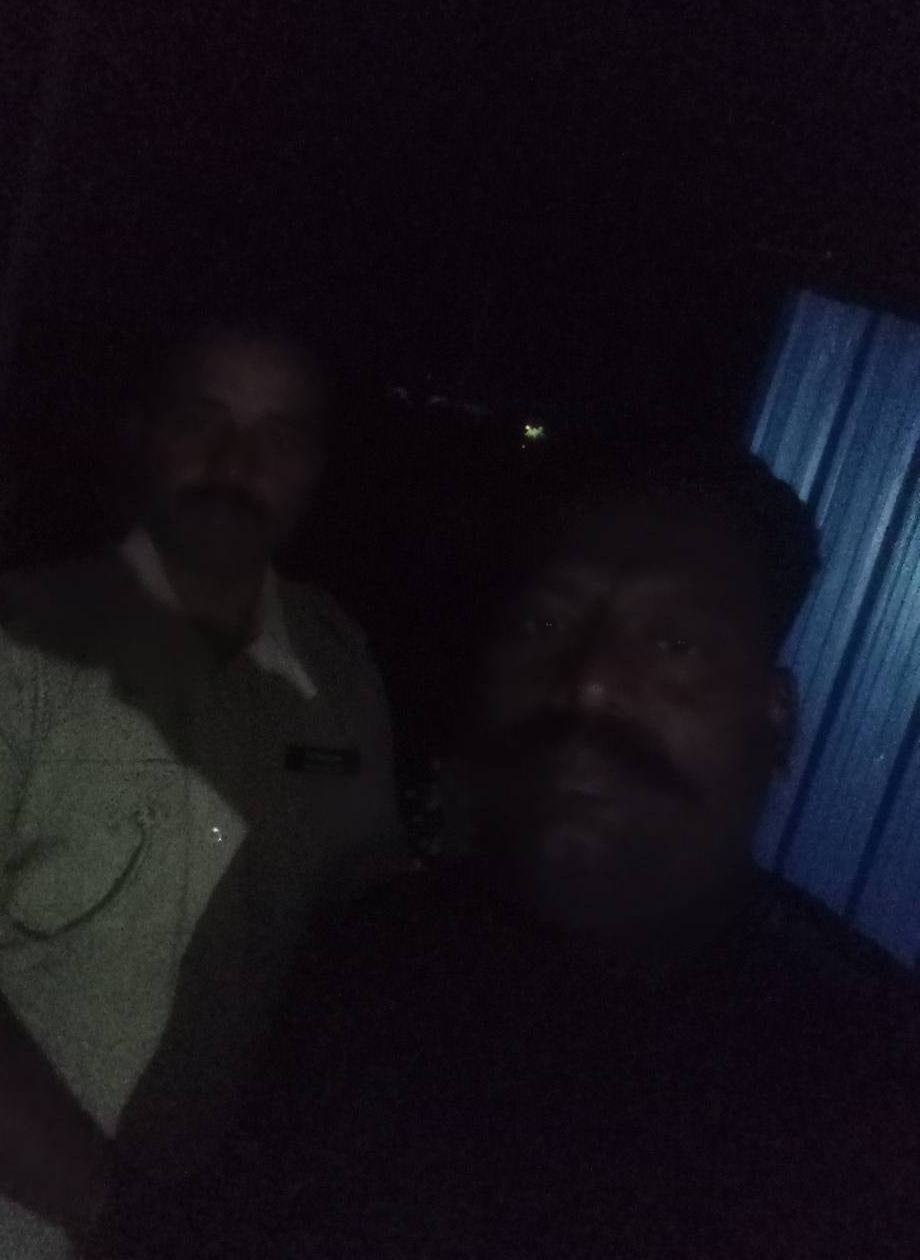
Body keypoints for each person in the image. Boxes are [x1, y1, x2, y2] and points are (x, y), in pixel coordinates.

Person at [222, 443, 920, 1259]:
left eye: (676, 644)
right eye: (544, 625)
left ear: (775, 720)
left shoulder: (871, 1077)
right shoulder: (372, 960)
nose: (588, 682)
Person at [0, 318, 403, 1258]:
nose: (236, 464)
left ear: (316, 469)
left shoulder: (340, 667)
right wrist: (123, 1218)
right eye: (203, 420)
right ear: (142, 434)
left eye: (280, 436)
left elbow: (361, 925)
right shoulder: (4, 646)